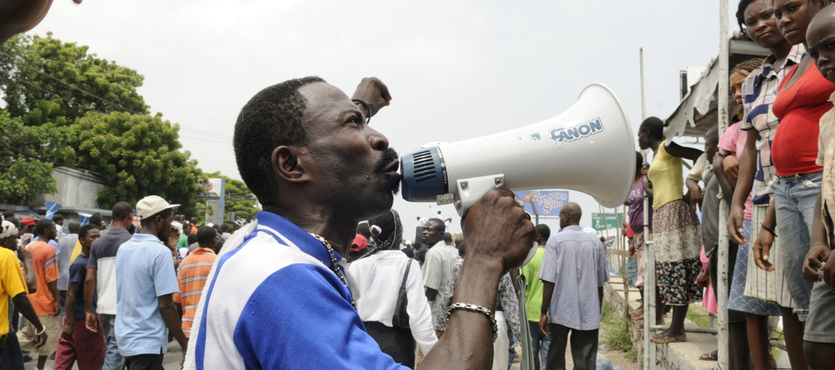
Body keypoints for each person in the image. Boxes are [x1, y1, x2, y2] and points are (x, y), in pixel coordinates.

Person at [182, 77, 536, 370]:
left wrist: (358, 109)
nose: (380, 137)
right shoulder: (281, 277)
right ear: (290, 165)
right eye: (354, 124)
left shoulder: (259, 248)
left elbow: (309, 136)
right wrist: (484, 260)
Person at [751, 2, 835, 368]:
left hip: (817, 185)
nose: (782, 19)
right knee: (800, 300)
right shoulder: (798, 65)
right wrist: (768, 222)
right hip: (786, 188)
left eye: (790, 7)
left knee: (822, 297)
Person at [727, 1, 803, 367]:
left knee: (806, 299)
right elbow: (752, 150)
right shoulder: (755, 81)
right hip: (763, 201)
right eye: (750, 22)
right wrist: (735, 203)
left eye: (766, 15)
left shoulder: (812, 59)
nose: (760, 25)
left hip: (804, 190)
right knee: (783, 299)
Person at [719, 52, 783, 370]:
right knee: (749, 303)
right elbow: (726, 156)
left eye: (740, 86)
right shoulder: (737, 129)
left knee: (790, 301)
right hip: (749, 214)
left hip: (779, 205)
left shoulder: (775, 108)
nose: (736, 94)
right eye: (733, 90)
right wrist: (722, 160)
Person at [638, 116, 704, 344]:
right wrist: (646, 179)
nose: (638, 139)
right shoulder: (657, 156)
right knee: (669, 271)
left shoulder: (667, 146)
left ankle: (677, 330)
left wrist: (693, 184)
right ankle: (674, 328)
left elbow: (700, 155)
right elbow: (657, 192)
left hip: (674, 212)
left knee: (677, 269)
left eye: (640, 134)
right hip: (663, 214)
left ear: (648, 133)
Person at [349, 210, 437, 369]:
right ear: (398, 234)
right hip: (397, 345)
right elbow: (419, 318)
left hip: (362, 342)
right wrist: (437, 355)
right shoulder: (409, 265)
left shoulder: (357, 266)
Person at [800, 5, 835, 369]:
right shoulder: (828, 119)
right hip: (832, 252)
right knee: (817, 344)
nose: (823, 59)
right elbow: (825, 193)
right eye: (815, 53)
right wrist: (818, 241)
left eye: (832, 46)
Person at [115, 195, 187, 369]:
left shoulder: (125, 248)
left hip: (126, 337)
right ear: (158, 219)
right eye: (170, 221)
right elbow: (166, 305)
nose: (171, 226)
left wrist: (169, 248)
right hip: (147, 340)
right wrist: (185, 344)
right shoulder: (159, 252)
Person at [537, 203, 607, 370]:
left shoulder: (555, 241)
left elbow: (549, 280)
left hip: (561, 309)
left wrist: (543, 311)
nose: (559, 220)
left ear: (566, 217)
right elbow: (600, 283)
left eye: (560, 216)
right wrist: (597, 310)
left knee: (555, 357)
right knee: (585, 361)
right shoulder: (596, 243)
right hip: (589, 310)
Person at [433, 249, 520, 370]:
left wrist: (440, 326)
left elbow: (447, 297)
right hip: (495, 322)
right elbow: (511, 306)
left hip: (463, 320)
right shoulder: (501, 268)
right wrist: (522, 337)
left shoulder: (460, 265)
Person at [85, 201, 135, 370]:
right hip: (123, 307)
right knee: (116, 354)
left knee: (115, 351)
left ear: (112, 218)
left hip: (104, 307)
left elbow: (89, 279)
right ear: (130, 217)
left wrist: (88, 310)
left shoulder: (98, 243)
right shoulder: (132, 243)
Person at [53, 224, 105, 370]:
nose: (97, 240)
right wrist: (69, 323)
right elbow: (70, 294)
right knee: (92, 360)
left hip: (81, 318)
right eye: (93, 237)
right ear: (82, 240)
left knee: (67, 357)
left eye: (98, 237)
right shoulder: (80, 264)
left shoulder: (94, 261)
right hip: (81, 319)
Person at [0, 221, 47, 370]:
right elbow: (24, 293)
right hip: (3, 332)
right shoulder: (6, 256)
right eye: (15, 237)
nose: (17, 241)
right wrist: (27, 260)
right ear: (5, 240)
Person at [17, 219, 61, 370]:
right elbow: (51, 278)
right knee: (49, 336)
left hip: (31, 299)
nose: (56, 231)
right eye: (54, 228)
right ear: (47, 231)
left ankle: (40, 367)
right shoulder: (49, 249)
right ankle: (40, 368)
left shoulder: (29, 246)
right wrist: (57, 299)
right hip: (45, 300)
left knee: (33, 334)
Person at [623, 152, 654, 324]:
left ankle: (652, 309)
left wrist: (647, 175)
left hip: (649, 230)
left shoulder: (645, 180)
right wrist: (633, 241)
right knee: (640, 273)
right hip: (638, 234)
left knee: (645, 273)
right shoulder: (631, 183)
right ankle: (645, 305)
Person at [174, 226, 217, 338]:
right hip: (209, 329)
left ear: (197, 241)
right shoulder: (217, 263)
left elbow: (177, 300)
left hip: (188, 328)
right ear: (214, 241)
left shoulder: (184, 264)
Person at [522, 224, 551, 370]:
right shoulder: (554, 255)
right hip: (551, 314)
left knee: (531, 355)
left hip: (532, 312)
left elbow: (523, 285)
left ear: (538, 237)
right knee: (548, 355)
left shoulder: (529, 256)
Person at [421, 218, 460, 323]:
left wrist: (423, 313)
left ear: (440, 234)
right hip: (448, 311)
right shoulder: (450, 252)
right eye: (424, 229)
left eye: (429, 230)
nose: (424, 232)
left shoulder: (433, 253)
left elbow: (432, 289)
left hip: (434, 313)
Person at [56, 221, 80, 314]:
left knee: (63, 308)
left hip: (61, 278)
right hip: (75, 277)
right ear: (78, 229)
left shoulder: (61, 241)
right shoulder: (80, 240)